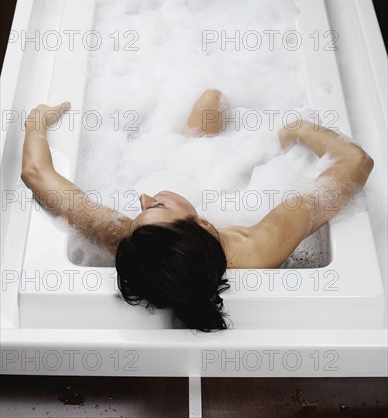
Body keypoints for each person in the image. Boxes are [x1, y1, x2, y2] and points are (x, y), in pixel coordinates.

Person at [21, 90, 374, 332]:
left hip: (197, 161)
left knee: (211, 98)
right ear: (204, 224)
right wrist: (298, 128)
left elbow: (37, 175)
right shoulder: (261, 245)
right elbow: (355, 161)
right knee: (211, 98)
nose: (143, 197)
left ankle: (201, 131)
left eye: (150, 207)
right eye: (155, 205)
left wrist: (35, 123)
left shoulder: (132, 238)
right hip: (207, 166)